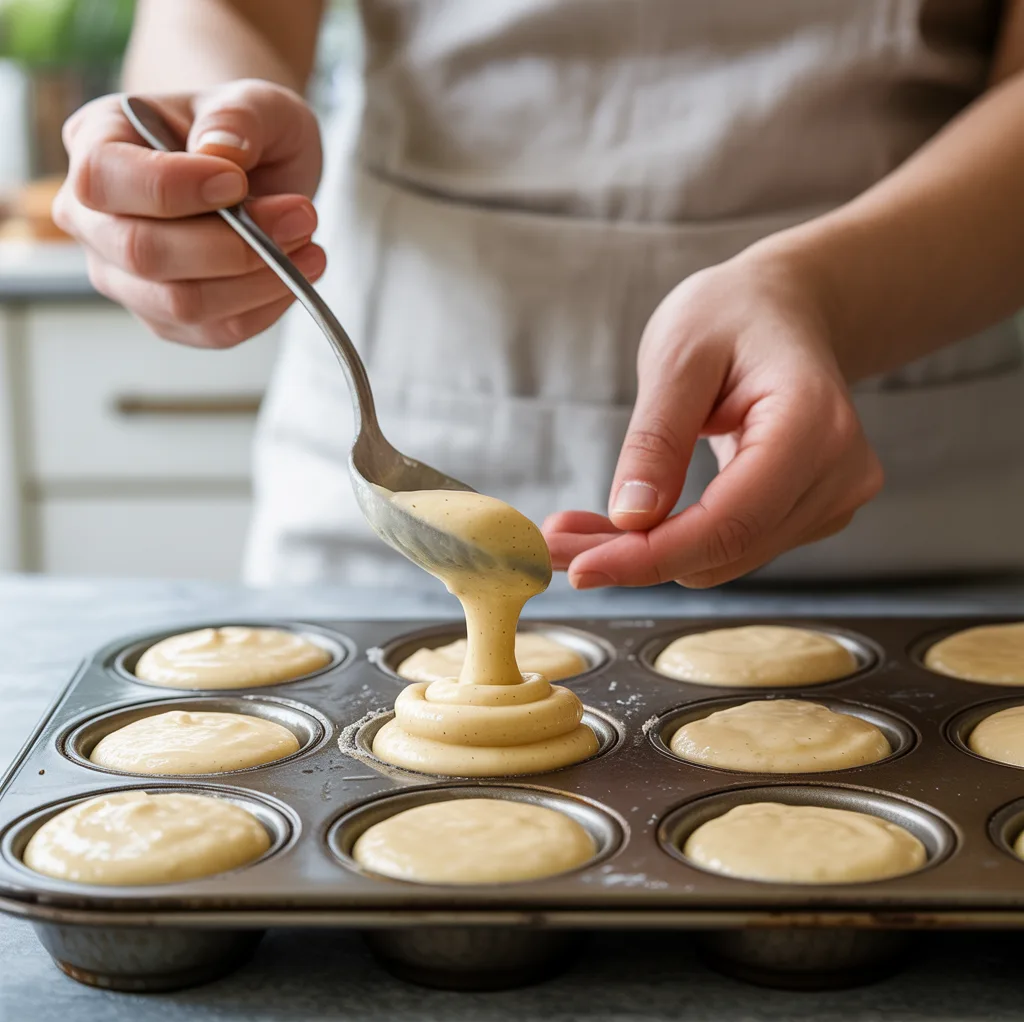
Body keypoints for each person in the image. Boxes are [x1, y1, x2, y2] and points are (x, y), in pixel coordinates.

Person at [54, 0, 1024, 590]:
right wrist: (209, 132)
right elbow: (224, 9)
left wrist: (824, 294)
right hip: (408, 451)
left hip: (912, 492)